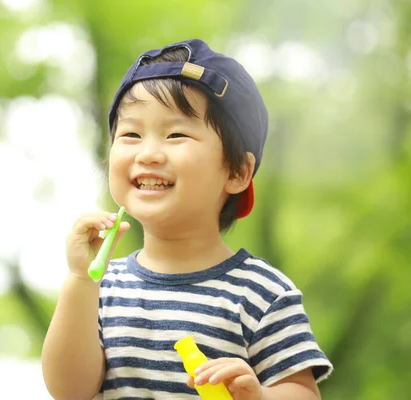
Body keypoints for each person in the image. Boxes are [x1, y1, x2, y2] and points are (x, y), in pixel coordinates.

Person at [41, 38, 333, 400]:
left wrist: (258, 395)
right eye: (131, 134)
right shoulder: (101, 289)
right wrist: (80, 279)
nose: (147, 153)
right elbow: (69, 390)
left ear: (238, 172)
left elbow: (303, 392)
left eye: (176, 134)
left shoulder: (263, 293)